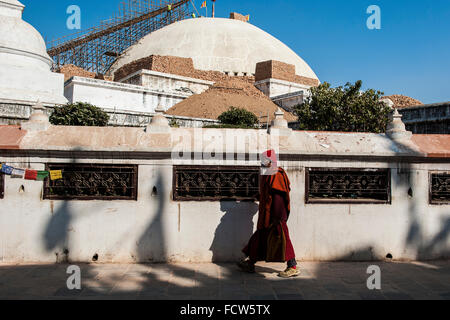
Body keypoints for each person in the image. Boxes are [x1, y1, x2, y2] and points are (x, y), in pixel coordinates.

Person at [237, 149, 300, 278]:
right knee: (259, 238)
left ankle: (292, 266)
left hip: (276, 216)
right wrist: (260, 196)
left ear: (270, 162)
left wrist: (278, 219)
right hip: (266, 216)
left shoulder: (277, 175)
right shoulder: (268, 175)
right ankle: (251, 263)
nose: (261, 164)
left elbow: (278, 197)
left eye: (264, 162)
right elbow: (268, 194)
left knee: (283, 239)